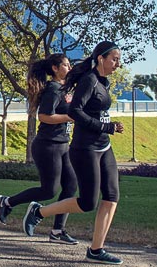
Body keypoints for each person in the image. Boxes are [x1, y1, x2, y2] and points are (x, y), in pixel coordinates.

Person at [22, 41, 125, 265]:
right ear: (101, 58)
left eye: (118, 59)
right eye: (114, 59)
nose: (118, 63)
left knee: (111, 196)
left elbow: (95, 112)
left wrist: (108, 126)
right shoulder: (89, 80)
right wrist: (106, 126)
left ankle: (96, 250)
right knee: (88, 203)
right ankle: (40, 212)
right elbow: (76, 112)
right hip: (85, 147)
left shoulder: (102, 81)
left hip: (104, 145)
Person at [0, 54, 79, 245]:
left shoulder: (65, 88)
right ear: (55, 69)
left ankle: (58, 231)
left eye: (69, 64)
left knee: (71, 185)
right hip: (48, 145)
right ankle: (8, 202)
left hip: (63, 144)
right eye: (66, 65)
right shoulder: (53, 88)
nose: (69, 67)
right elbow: (44, 116)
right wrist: (70, 117)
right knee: (49, 191)